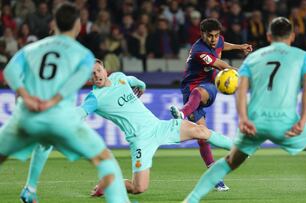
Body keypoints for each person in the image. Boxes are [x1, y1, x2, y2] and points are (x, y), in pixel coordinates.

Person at [183, 17, 306, 203]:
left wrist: (242, 118)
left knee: (229, 162)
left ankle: (190, 200)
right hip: (286, 122)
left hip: (255, 123)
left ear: (268, 36)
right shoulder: (303, 57)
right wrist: (303, 118)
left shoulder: (255, 58)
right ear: (292, 36)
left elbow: (240, 88)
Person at [21, 59, 233, 197]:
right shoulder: (95, 97)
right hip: (140, 140)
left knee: (201, 131)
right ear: (89, 78)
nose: (97, 75)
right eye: (92, 74)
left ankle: (238, 148)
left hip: (158, 126)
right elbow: (81, 112)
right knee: (139, 188)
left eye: (98, 70)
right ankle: (109, 183)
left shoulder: (119, 78)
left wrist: (141, 86)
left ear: (105, 69)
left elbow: (136, 81)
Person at [0, 3, 130, 203]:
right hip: (59, 119)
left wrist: (26, 97)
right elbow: (73, 84)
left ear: (55, 23)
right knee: (105, 160)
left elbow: (9, 72)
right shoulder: (83, 55)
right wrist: (52, 100)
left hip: (25, 116)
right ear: (78, 25)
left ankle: (30, 190)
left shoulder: (32, 48)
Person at [170, 18, 252, 191]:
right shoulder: (199, 50)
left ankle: (182, 114)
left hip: (208, 86)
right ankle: (215, 178)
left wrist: (239, 47)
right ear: (202, 34)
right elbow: (219, 64)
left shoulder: (218, 40)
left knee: (198, 93)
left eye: (216, 35)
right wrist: (235, 71)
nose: (214, 39)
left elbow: (223, 45)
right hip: (188, 88)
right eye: (210, 36)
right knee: (202, 135)